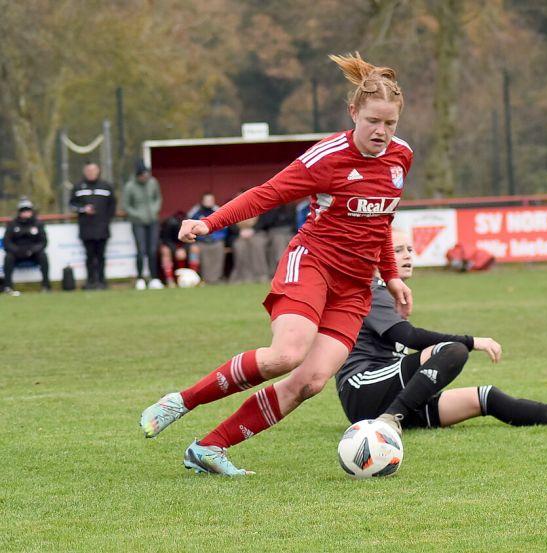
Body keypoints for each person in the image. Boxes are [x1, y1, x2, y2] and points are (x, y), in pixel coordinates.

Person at [140, 52, 414, 476]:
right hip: (313, 265)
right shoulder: (326, 157)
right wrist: (209, 223)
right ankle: (182, 400)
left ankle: (209, 448)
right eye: (373, 121)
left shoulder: (401, 159)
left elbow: (381, 220)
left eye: (390, 123)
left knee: (310, 381)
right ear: (354, 112)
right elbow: (263, 194)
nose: (381, 131)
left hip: (356, 286)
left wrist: (391, 277)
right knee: (286, 355)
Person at [337, 229, 547, 432]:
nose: (407, 255)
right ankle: (391, 419)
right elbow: (408, 337)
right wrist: (472, 341)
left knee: (486, 397)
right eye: (397, 250)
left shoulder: (391, 293)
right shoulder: (371, 290)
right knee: (453, 351)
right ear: (377, 259)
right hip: (362, 388)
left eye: (409, 249)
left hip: (384, 396)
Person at [70, 161, 116, 290]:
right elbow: (72, 205)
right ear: (85, 172)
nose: (91, 173)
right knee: (89, 256)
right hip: (86, 228)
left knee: (101, 256)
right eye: (88, 171)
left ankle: (102, 281)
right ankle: (90, 282)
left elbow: (112, 205)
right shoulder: (78, 187)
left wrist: (107, 220)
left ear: (98, 171)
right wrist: (84, 209)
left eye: (93, 170)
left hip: (102, 228)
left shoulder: (106, 186)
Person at [122, 159, 163, 290]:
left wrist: (155, 210)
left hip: (153, 221)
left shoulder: (153, 182)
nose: (145, 178)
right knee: (141, 251)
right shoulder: (129, 186)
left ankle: (154, 278)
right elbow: (126, 205)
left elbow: (158, 198)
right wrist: (137, 215)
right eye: (142, 175)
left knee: (152, 250)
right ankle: (140, 278)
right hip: (138, 222)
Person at [3, 198, 50, 295]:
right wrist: (17, 250)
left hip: (33, 253)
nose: (26, 213)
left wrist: (33, 250)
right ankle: (8, 287)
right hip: (17, 253)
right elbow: (7, 242)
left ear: (31, 211)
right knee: (8, 258)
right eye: (23, 210)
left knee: (43, 256)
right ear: (19, 212)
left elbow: (43, 242)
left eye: (28, 210)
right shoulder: (12, 224)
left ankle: (46, 286)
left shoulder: (38, 223)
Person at [188, 193, 227, 284]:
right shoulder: (196, 211)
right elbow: (190, 226)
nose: (208, 202)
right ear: (202, 201)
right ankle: (202, 278)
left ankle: (216, 277)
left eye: (210, 200)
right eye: (206, 200)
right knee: (195, 249)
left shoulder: (218, 210)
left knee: (219, 246)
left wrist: (214, 237)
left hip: (215, 239)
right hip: (200, 240)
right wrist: (201, 238)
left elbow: (224, 228)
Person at [158, 211, 200, 287]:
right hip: (172, 246)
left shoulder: (190, 225)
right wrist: (176, 250)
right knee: (165, 251)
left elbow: (193, 239)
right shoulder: (169, 224)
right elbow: (166, 240)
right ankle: (169, 280)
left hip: (185, 246)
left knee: (195, 248)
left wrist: (183, 249)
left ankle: (194, 276)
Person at [255, 203, 297, 279]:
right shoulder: (267, 209)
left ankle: (282, 267)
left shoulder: (291, 208)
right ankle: (278, 266)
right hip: (271, 234)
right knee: (278, 238)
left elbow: (294, 225)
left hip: (288, 234)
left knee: (281, 238)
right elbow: (263, 225)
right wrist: (274, 209)